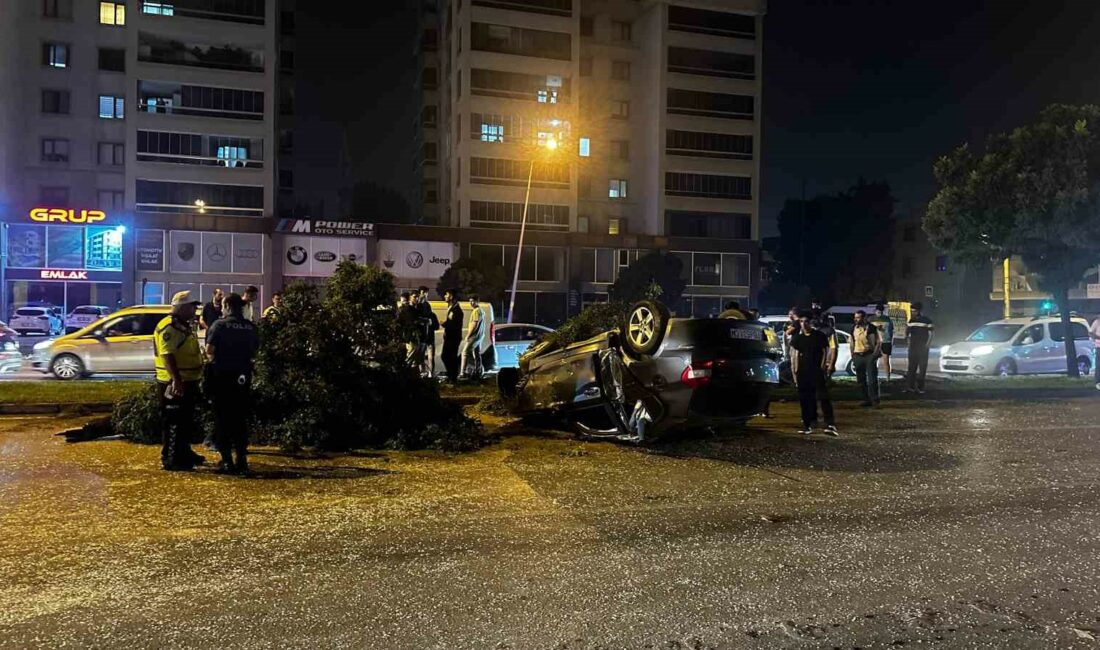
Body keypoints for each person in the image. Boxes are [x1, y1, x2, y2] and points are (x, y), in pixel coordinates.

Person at [205, 293, 260, 474]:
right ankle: (242, 459)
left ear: (227, 305)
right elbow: (254, 353)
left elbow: (210, 350)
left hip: (222, 378)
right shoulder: (251, 327)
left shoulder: (219, 325)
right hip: (242, 378)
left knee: (222, 419)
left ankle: (227, 460)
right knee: (240, 419)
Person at [155, 291, 207, 471]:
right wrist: (176, 380)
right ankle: (171, 459)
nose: (195, 309)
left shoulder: (183, 325)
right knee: (173, 422)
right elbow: (167, 355)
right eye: (193, 306)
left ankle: (183, 451)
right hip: (175, 383)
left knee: (184, 421)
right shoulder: (170, 326)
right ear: (183, 307)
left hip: (187, 380)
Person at [789, 309, 838, 436]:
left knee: (823, 398)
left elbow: (825, 351)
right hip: (803, 372)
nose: (803, 324)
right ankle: (808, 424)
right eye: (801, 321)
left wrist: (825, 366)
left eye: (806, 321)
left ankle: (830, 424)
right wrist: (795, 373)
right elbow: (794, 356)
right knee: (805, 399)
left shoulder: (819, 336)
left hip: (817, 371)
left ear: (810, 322)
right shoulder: (798, 339)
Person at [851, 309, 883, 407]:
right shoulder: (853, 328)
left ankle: (875, 400)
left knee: (872, 379)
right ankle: (865, 399)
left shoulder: (871, 328)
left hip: (869, 355)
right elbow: (852, 342)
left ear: (864, 318)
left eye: (858, 317)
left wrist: (874, 354)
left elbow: (879, 341)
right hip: (858, 355)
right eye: (855, 317)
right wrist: (852, 355)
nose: (856, 319)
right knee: (860, 380)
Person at [905, 302, 935, 394]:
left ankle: (921, 388)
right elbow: (907, 333)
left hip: (923, 346)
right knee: (911, 368)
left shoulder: (927, 321)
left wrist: (927, 345)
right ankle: (910, 387)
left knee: (922, 368)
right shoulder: (911, 321)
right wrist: (908, 343)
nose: (913, 312)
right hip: (913, 347)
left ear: (919, 311)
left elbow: (931, 334)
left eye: (914, 311)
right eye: (912, 311)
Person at [461, 294, 486, 379]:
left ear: (477, 301)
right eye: (470, 301)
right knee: (477, 354)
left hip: (474, 336)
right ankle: (478, 372)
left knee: (465, 352)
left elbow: (475, 324)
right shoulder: (481, 311)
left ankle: (463, 372)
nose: (471, 303)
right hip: (479, 336)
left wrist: (468, 335)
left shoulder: (476, 311)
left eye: (473, 301)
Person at [441, 289, 464, 383]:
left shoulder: (457, 310)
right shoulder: (451, 308)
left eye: (446, 295)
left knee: (448, 356)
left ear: (451, 296)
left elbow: (454, 324)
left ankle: (452, 377)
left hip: (453, 338)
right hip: (450, 337)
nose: (445, 297)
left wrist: (444, 324)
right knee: (448, 356)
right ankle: (451, 377)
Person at [870, 303, 895, 380]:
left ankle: (876, 377)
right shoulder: (888, 319)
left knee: (874, 361)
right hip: (885, 342)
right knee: (885, 361)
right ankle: (887, 378)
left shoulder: (871, 319)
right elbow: (891, 331)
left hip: (877, 342)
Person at [418, 286, 438, 376]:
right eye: (423, 292)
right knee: (421, 357)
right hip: (423, 335)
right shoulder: (419, 306)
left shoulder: (427, 306)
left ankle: (430, 373)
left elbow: (435, 324)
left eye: (425, 292)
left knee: (429, 357)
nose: (424, 294)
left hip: (428, 335)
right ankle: (424, 373)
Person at [1089, 315, 1100, 390]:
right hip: (1099, 346)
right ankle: (1098, 381)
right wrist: (1098, 337)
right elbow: (1091, 333)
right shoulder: (1097, 322)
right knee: (1099, 364)